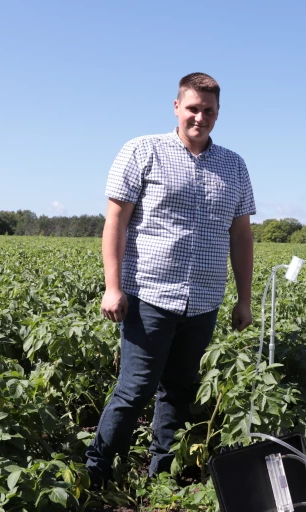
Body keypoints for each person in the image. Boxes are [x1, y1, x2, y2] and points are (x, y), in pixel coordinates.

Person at [85, 72, 255, 485]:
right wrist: (113, 286)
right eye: (193, 108)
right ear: (177, 107)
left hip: (203, 299)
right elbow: (116, 220)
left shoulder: (234, 165)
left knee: (180, 389)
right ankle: (97, 472)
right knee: (135, 389)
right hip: (149, 294)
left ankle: (163, 475)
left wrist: (244, 299)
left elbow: (241, 233)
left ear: (218, 113)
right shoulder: (143, 150)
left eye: (208, 110)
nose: (200, 117)